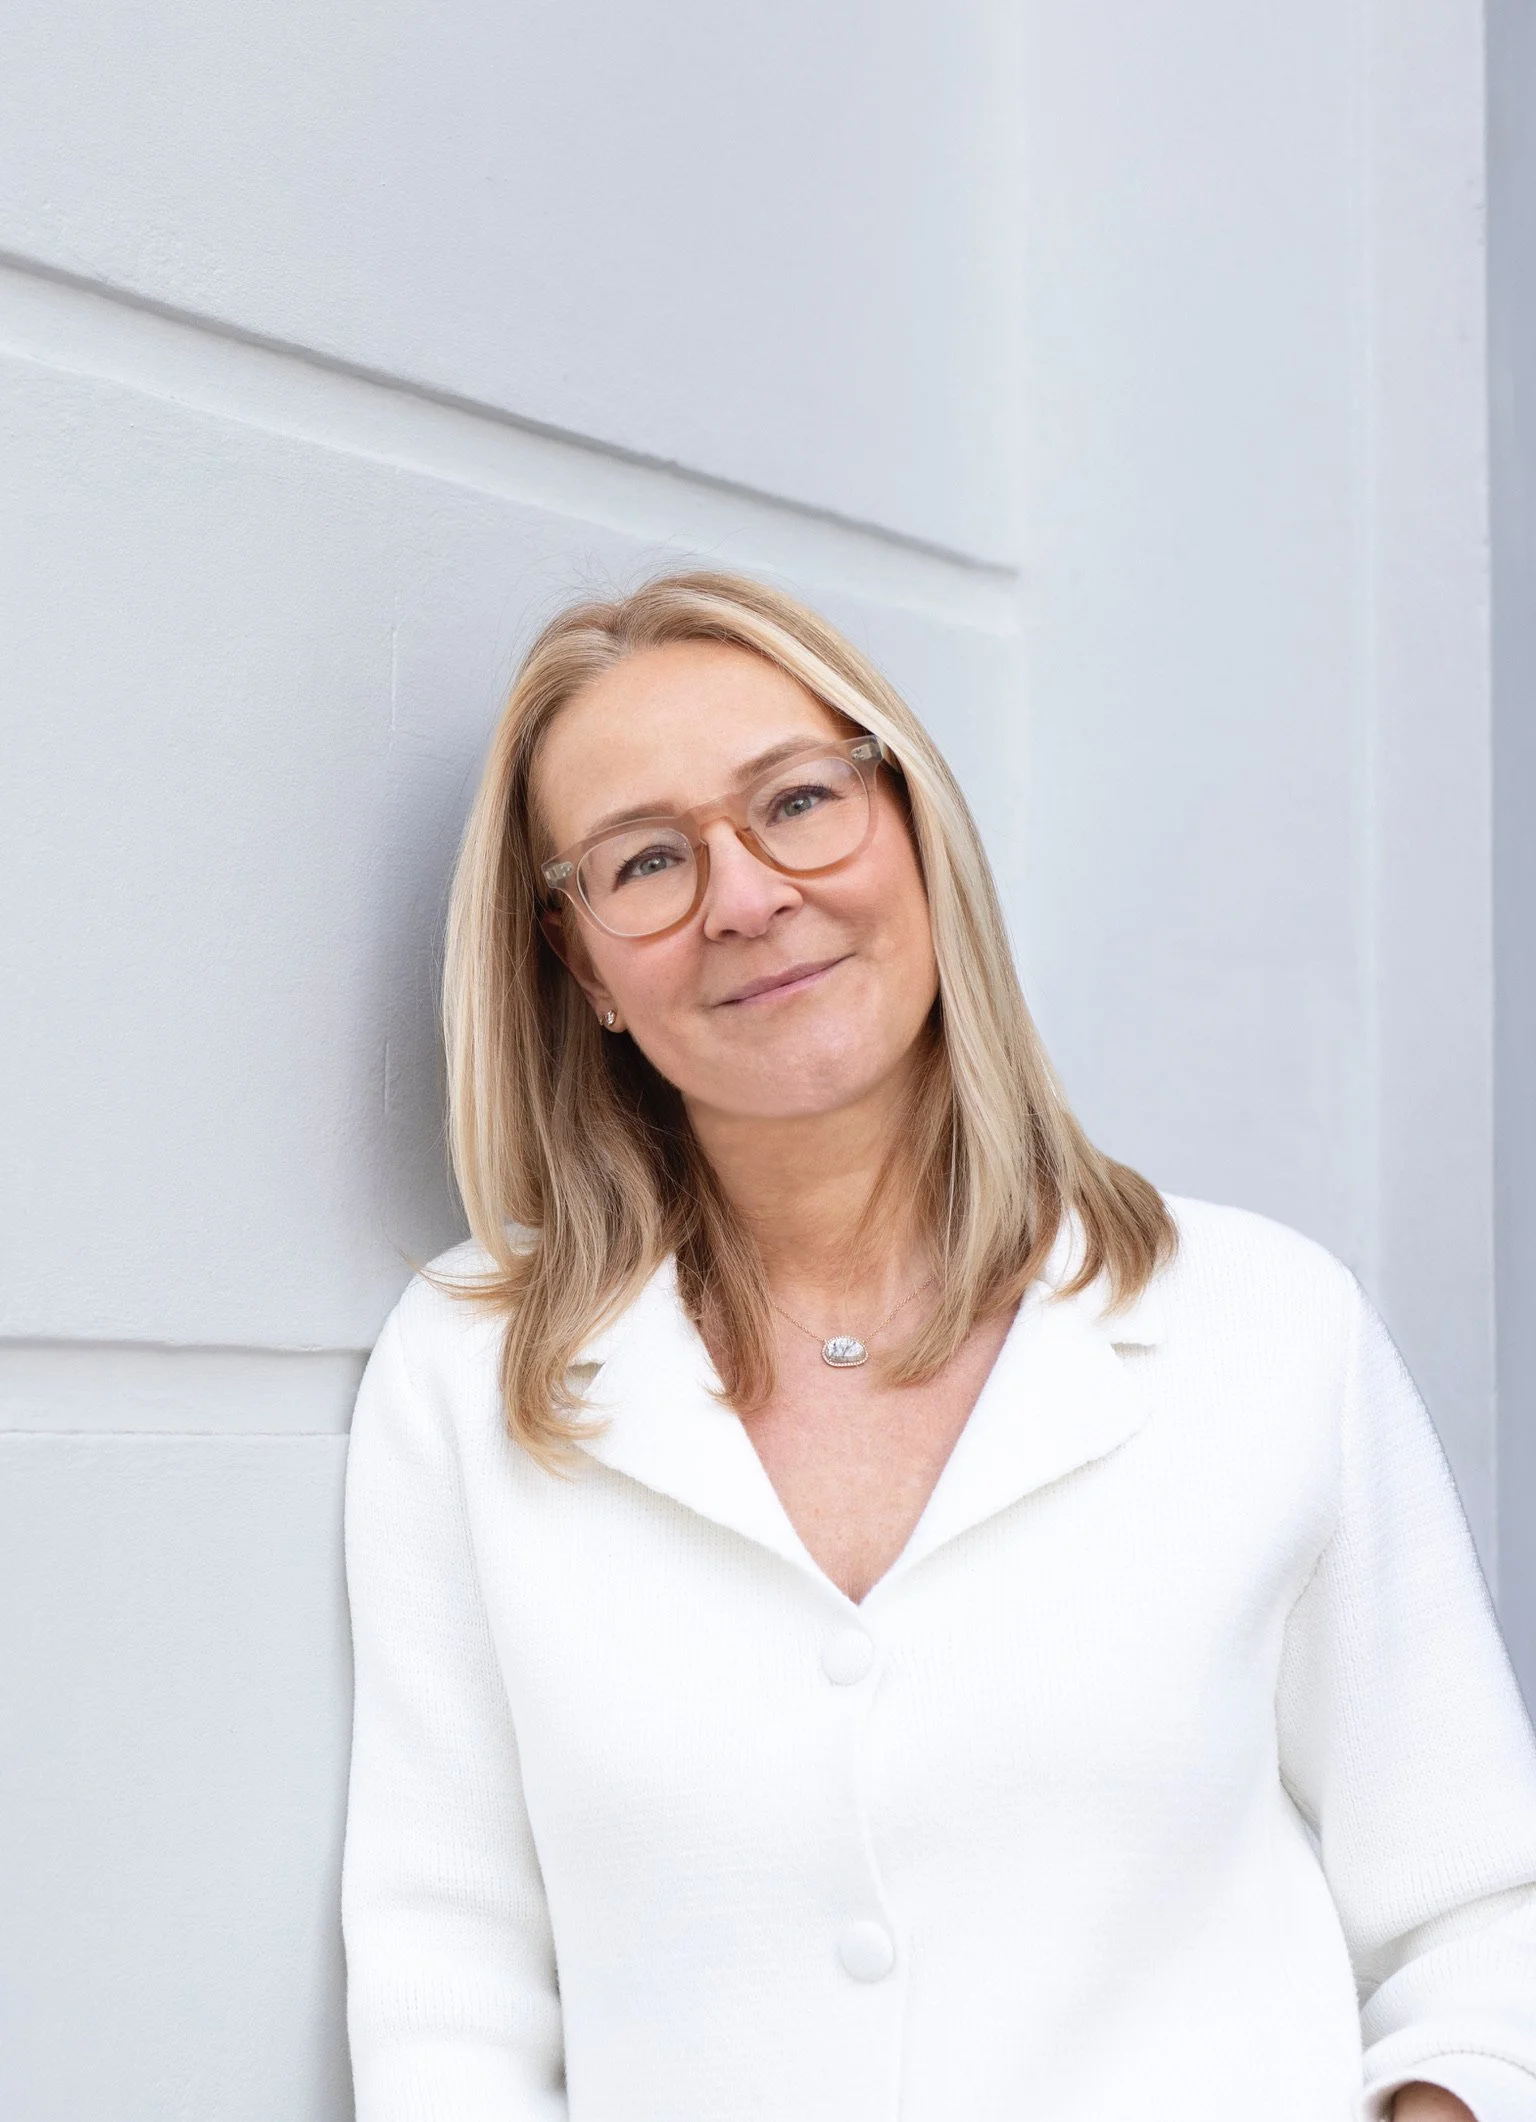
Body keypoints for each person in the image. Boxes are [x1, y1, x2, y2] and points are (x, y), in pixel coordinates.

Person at [340, 571, 1536, 2122]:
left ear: (914, 827)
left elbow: (1481, 1909)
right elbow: (451, 1987)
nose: (748, 895)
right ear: (585, 973)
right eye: (646, 859)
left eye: (798, 801)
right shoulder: (469, 1377)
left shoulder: (1264, 1326)